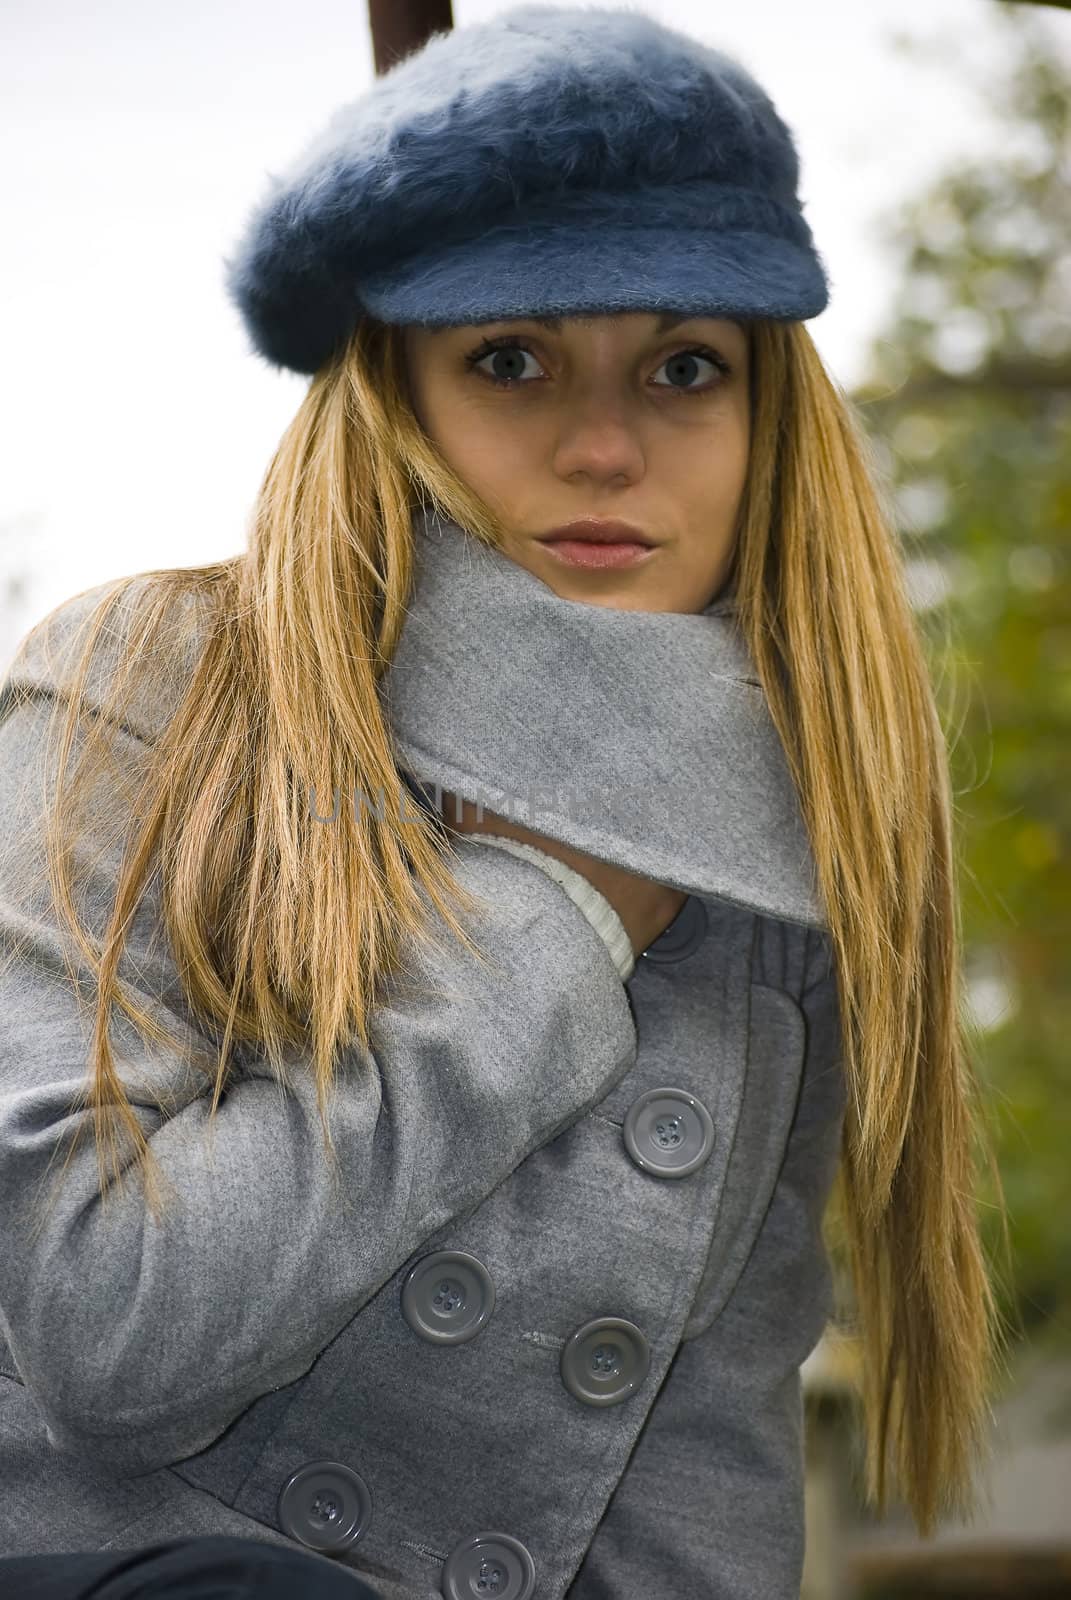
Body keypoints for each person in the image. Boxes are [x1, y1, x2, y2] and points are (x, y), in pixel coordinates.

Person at [0, 5, 1009, 1598]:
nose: (603, 445)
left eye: (685, 366)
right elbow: (105, 1326)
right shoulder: (149, 681)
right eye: (511, 358)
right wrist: (559, 915)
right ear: (393, 399)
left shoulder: (778, 840)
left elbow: (704, 1466)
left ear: (769, 429)